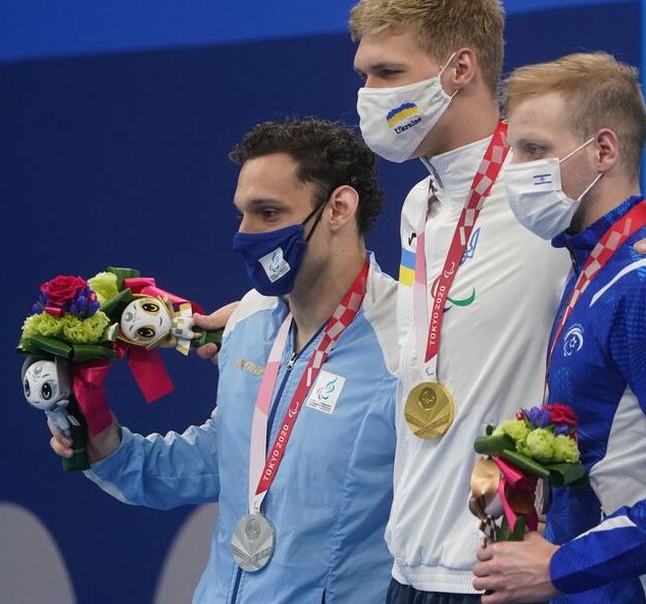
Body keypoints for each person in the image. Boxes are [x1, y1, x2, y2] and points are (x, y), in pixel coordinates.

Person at [345, 0, 646, 603]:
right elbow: (424, 333)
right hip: (411, 560)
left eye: (388, 74)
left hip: (521, 565)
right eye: (364, 75)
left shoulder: (547, 195)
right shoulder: (418, 206)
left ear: (459, 69)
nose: (368, 93)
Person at [49, 118, 400, 603]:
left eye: (268, 213)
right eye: (242, 214)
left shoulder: (406, 344)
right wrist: (106, 443)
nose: (245, 234)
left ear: (339, 207)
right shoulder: (250, 320)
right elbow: (223, 459)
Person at [471, 52, 646, 603]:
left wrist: (562, 567)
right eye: (512, 150)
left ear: (603, 149)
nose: (513, 171)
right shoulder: (590, 267)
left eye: (534, 150)